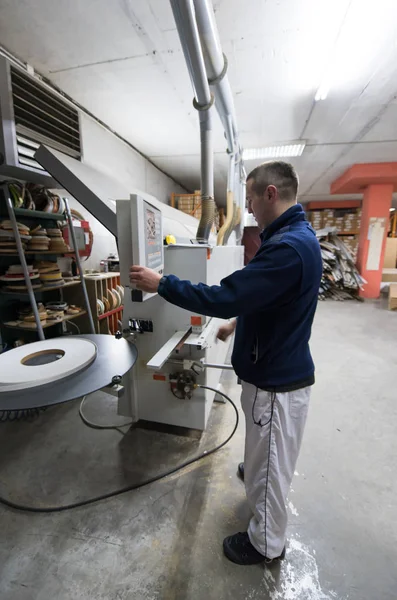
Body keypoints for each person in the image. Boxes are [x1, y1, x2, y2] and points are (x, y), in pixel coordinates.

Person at [130, 161, 322, 566]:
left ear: (271, 194)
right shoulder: (288, 237)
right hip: (272, 369)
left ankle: (266, 544)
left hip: (276, 381)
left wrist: (161, 283)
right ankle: (257, 475)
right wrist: (238, 323)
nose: (248, 207)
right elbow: (268, 299)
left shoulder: (287, 248)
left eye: (251, 196)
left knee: (270, 466)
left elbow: (225, 295)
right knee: (262, 453)